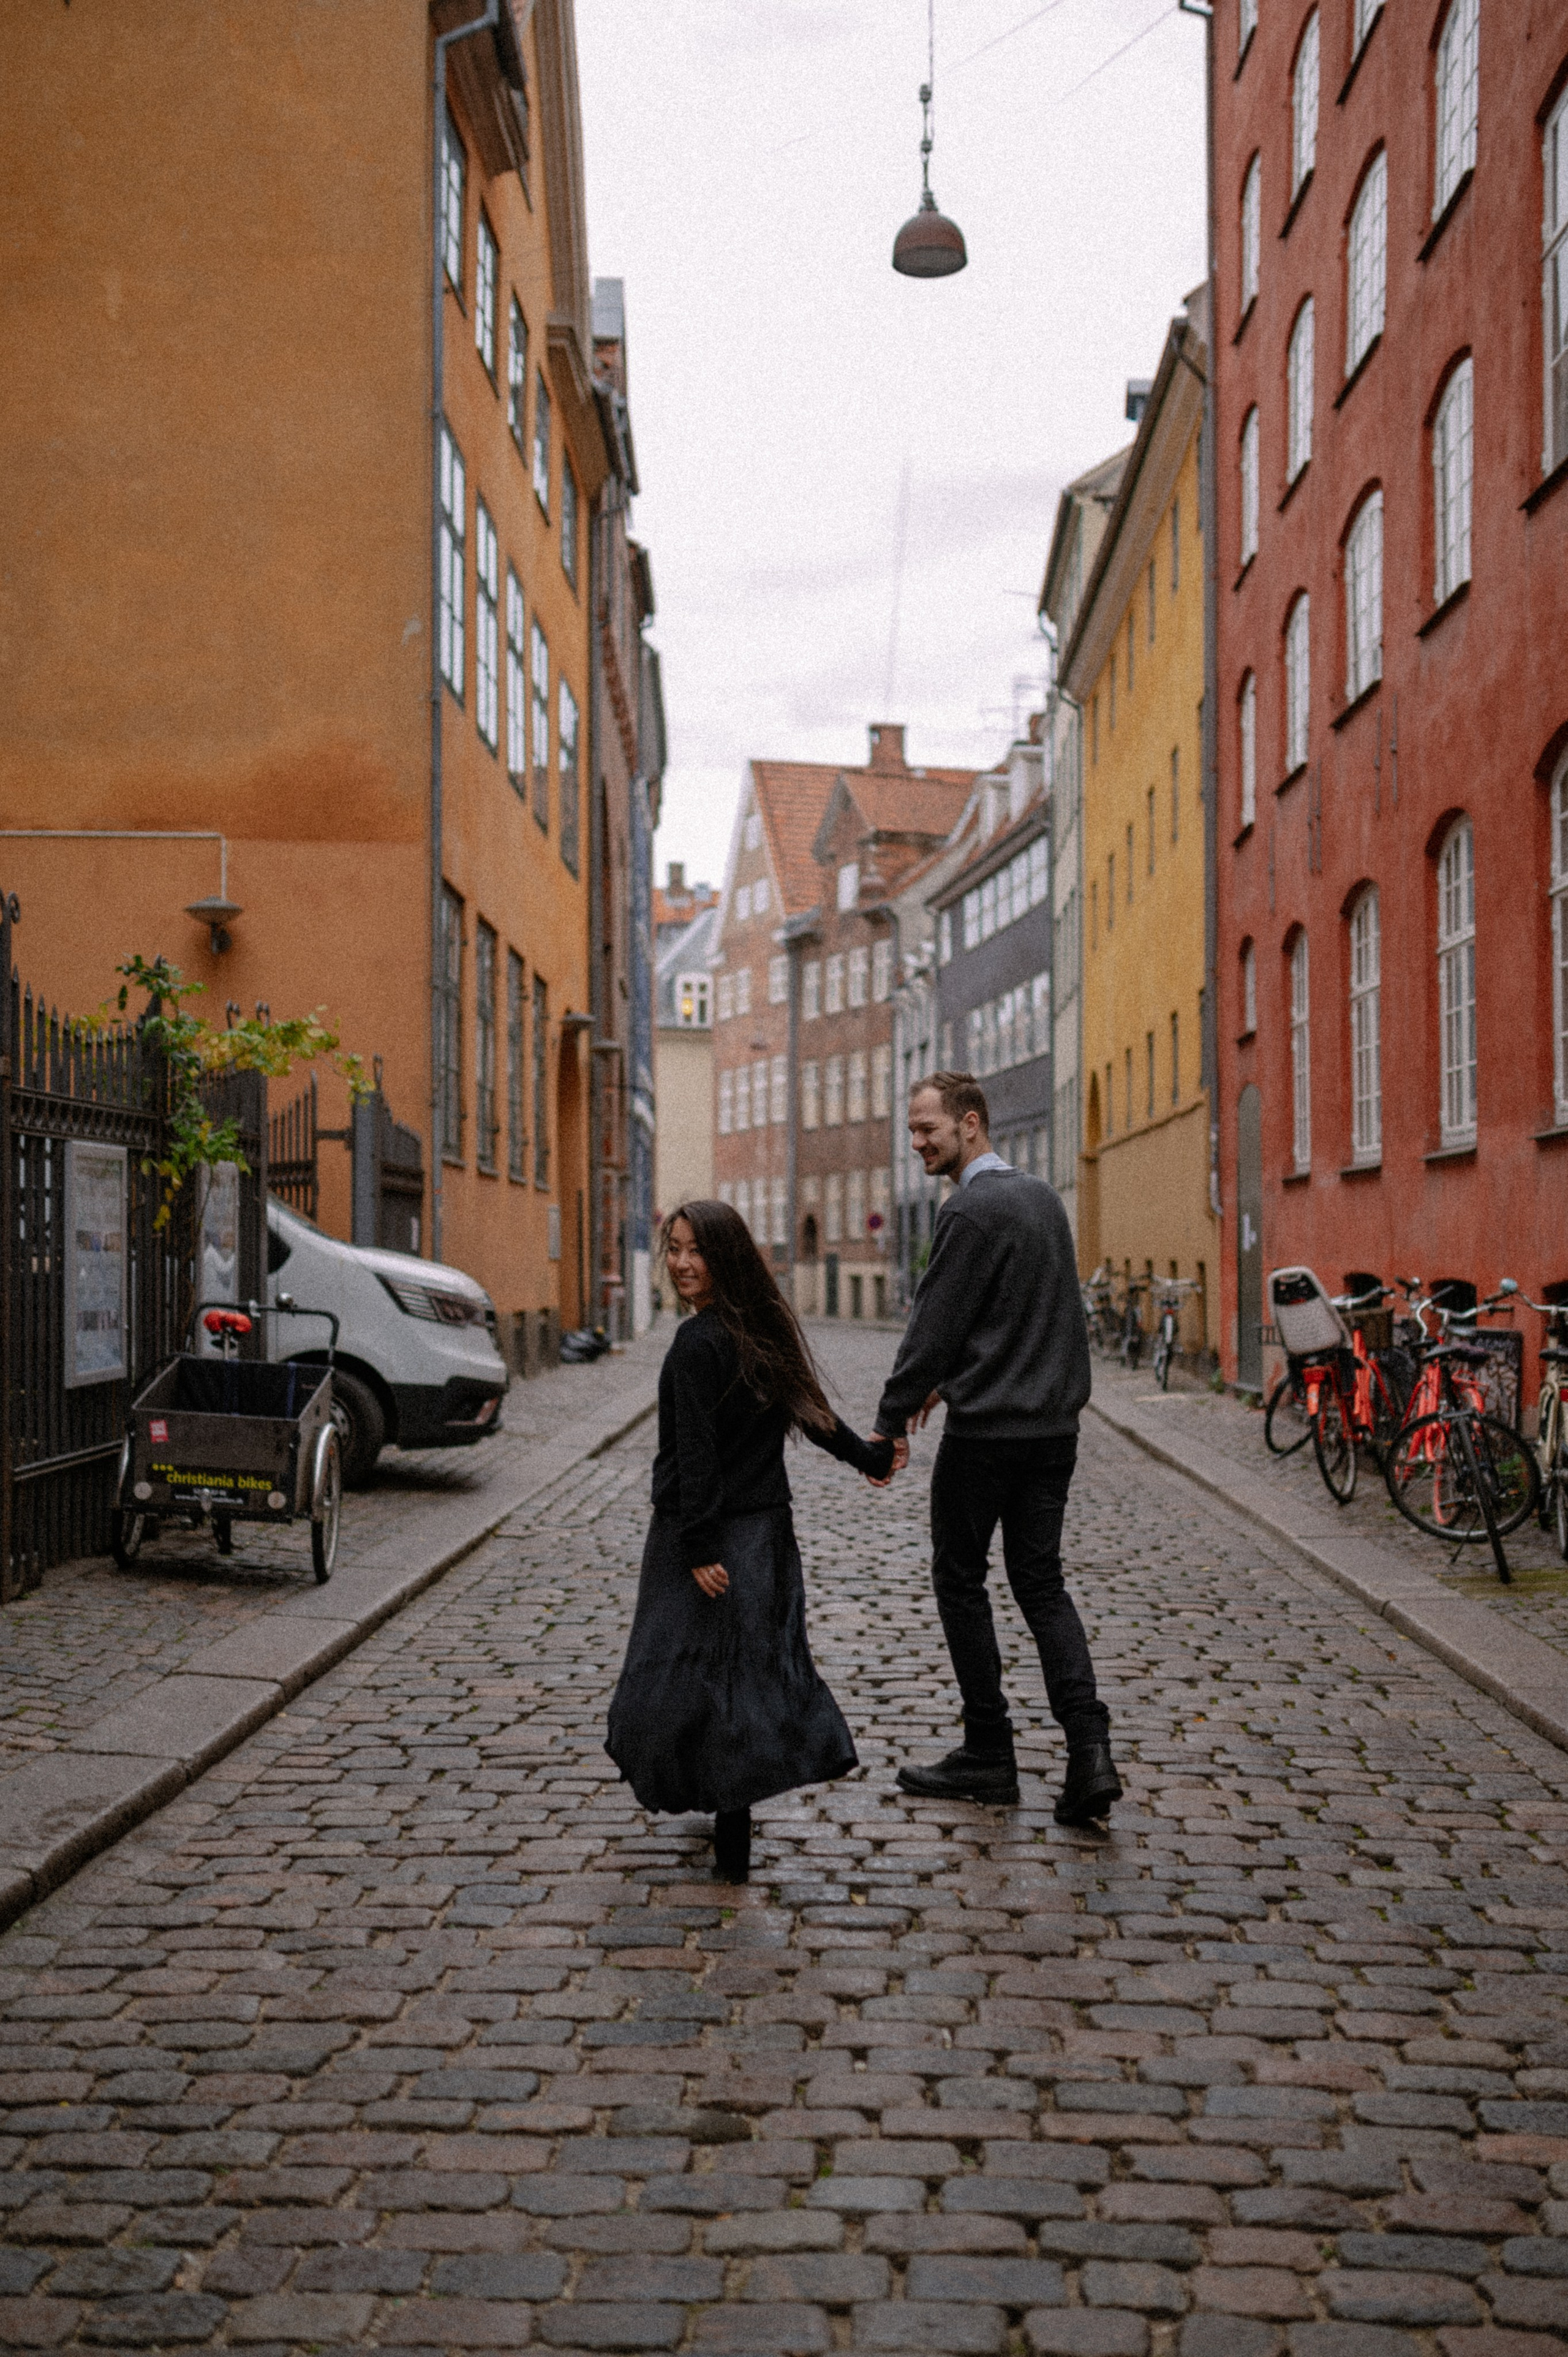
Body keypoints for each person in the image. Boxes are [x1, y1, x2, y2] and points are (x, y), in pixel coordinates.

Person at [606, 1200, 894, 1882]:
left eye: (693, 1250)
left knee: (680, 1675)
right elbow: (813, 1411)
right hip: (764, 1535)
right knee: (745, 1680)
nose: (679, 1262)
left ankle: (722, 1823)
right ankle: (731, 1827)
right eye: (672, 1248)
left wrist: (700, 1545)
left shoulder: (697, 1343)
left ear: (724, 1255)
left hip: (706, 1537)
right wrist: (870, 1458)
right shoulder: (762, 1325)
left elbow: (696, 1453)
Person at [870, 1073, 1121, 1827]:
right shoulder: (1043, 1198)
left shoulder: (969, 1210)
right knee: (1042, 1586)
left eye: (928, 1130)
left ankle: (988, 1752)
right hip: (1053, 1432)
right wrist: (960, 1377)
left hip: (986, 1439)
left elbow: (935, 1324)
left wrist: (890, 1420)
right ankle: (1090, 1753)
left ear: (971, 1124)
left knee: (959, 1579)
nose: (917, 1143)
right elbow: (1031, 1313)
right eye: (912, 1130)